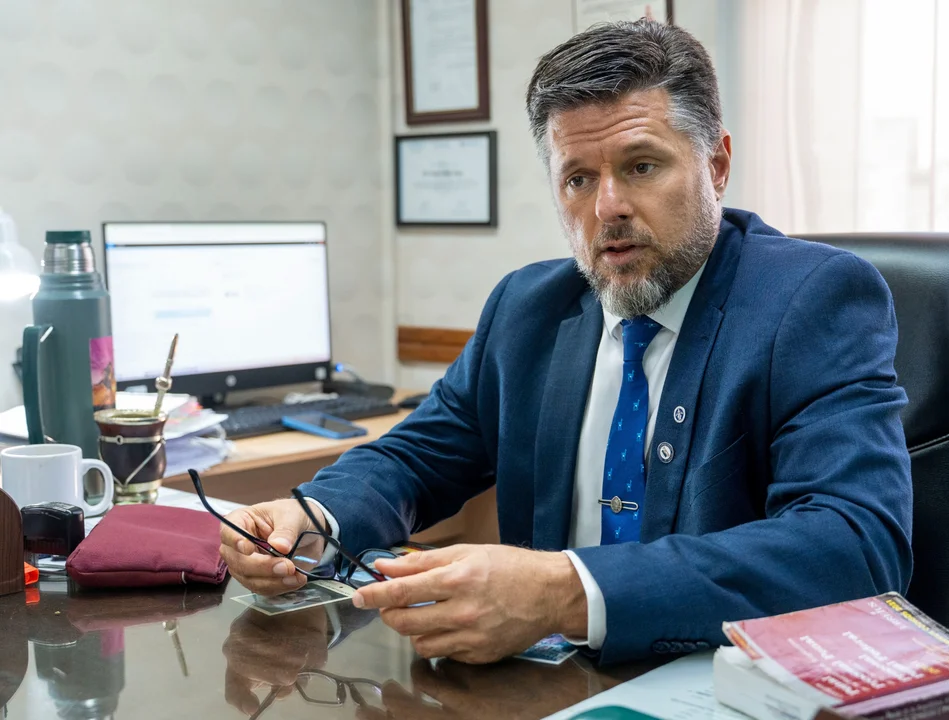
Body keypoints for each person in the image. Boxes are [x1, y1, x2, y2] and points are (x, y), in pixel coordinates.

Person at [219, 19, 913, 666]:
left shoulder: (813, 299)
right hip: (542, 682)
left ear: (717, 164)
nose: (607, 207)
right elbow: (416, 457)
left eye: (642, 166)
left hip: (717, 683)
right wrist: (313, 517)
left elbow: (854, 544)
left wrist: (567, 591)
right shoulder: (526, 308)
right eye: (578, 179)